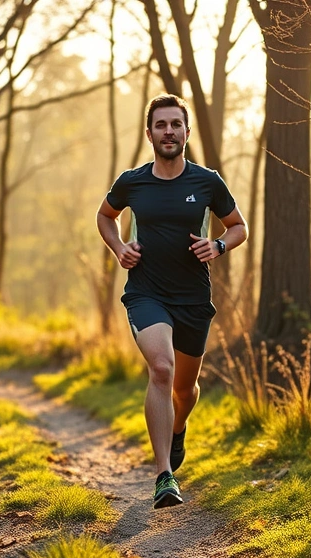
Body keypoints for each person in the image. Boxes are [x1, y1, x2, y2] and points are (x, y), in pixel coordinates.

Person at [96, 94, 248, 509]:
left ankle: (178, 427)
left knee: (185, 389)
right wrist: (119, 248)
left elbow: (239, 227)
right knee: (161, 369)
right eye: (161, 125)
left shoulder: (206, 181)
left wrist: (218, 245)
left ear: (186, 132)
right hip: (146, 292)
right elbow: (105, 215)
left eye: (175, 124)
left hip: (194, 298)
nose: (168, 132)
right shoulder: (133, 182)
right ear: (150, 134)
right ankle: (164, 475)